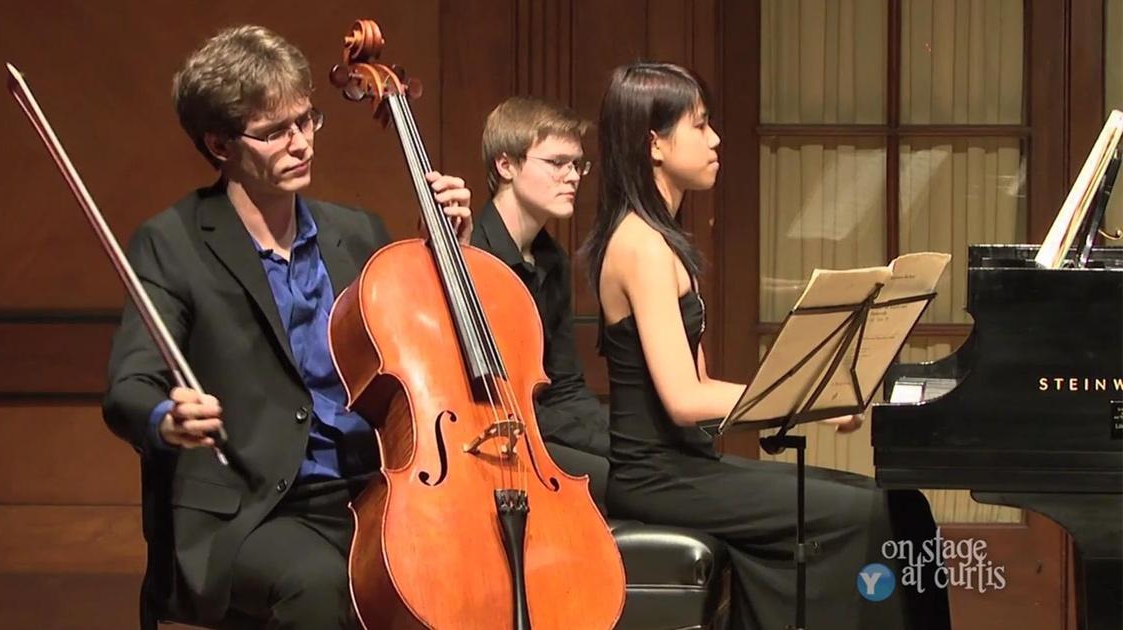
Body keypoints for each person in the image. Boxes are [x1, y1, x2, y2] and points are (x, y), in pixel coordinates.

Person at [102, 25, 471, 629]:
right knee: (321, 587)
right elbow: (128, 387)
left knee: (461, 562)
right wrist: (167, 418)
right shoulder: (173, 243)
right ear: (220, 144)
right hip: (251, 511)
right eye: (276, 132)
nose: (302, 143)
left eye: (307, 121)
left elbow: (428, 358)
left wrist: (448, 255)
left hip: (371, 493)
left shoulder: (359, 234)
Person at [580, 62, 951, 630]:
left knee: (903, 504)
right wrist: (807, 399)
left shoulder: (663, 242)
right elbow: (683, 400)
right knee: (871, 513)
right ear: (655, 144)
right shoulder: (641, 247)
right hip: (658, 480)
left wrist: (812, 397)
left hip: (688, 467)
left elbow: (700, 388)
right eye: (700, 126)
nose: (715, 139)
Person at [470, 96, 611, 502]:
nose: (572, 176)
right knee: (625, 480)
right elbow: (500, 398)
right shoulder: (474, 257)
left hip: (545, 429)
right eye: (556, 163)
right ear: (506, 165)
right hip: (495, 442)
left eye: (577, 164)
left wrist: (622, 439)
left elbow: (565, 384)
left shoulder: (552, 260)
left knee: (639, 467)